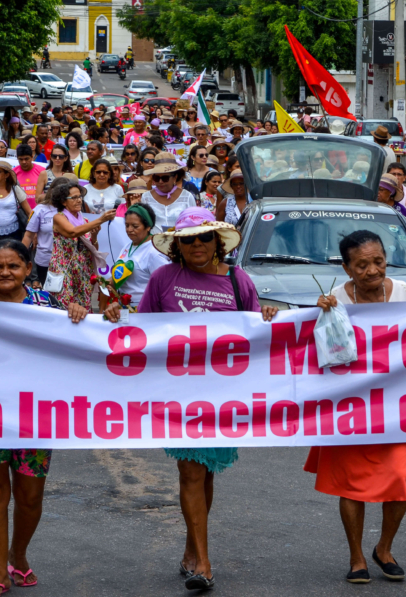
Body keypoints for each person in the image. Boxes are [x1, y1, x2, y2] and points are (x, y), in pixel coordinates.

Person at [0, 240, 120, 597]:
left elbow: (85, 340)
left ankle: (19, 553)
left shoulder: (48, 305)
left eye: (13, 266)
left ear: (28, 269)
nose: (5, 272)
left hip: (37, 416)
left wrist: (91, 316)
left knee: (30, 496)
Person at [138, 207, 277, 590]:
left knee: (205, 470)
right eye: (188, 239)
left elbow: (257, 334)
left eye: (203, 237)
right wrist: (115, 316)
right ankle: (203, 561)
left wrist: (266, 315)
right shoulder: (163, 278)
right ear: (177, 246)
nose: (196, 244)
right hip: (178, 395)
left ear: (218, 242)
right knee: (191, 471)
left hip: (223, 396)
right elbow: (140, 330)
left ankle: (189, 549)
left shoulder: (238, 280)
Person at [311, 230, 406, 583]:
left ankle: (384, 548)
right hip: (349, 409)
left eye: (378, 261)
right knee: (350, 485)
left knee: (398, 479)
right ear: (346, 269)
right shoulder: (334, 299)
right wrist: (319, 313)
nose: (372, 271)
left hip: (396, 408)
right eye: (361, 265)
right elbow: (318, 348)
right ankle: (357, 557)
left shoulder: (404, 292)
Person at [49, 180, 115, 309]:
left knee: (84, 307)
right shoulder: (59, 217)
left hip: (83, 271)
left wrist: (94, 236)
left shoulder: (84, 221)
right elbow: (72, 232)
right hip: (64, 270)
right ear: (63, 201)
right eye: (74, 197)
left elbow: (93, 249)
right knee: (65, 307)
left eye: (80, 196)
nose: (79, 200)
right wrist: (101, 219)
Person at [110, 204, 168, 311]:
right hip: (124, 308)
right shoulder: (127, 246)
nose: (129, 230)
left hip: (145, 310)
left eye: (135, 226)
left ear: (148, 227)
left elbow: (166, 286)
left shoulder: (154, 253)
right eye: (127, 225)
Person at [23, 175, 76, 288]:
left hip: (69, 260)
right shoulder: (40, 210)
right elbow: (28, 235)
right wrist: (20, 256)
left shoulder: (73, 209)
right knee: (51, 293)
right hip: (45, 260)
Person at [0, 158, 32, 261]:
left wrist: (33, 232)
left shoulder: (15, 190)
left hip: (12, 234)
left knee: (12, 260)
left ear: (6, 175)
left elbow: (29, 212)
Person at [140, 152, 198, 234]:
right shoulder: (146, 197)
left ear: (175, 177)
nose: (160, 182)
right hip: (153, 243)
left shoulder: (187, 197)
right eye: (156, 178)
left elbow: (194, 223)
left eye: (165, 178)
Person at [12, 144, 45, 210]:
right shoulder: (13, 173)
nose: (24, 162)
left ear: (32, 157)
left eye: (26, 159)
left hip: (40, 211)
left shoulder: (42, 171)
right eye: (21, 159)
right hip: (21, 213)